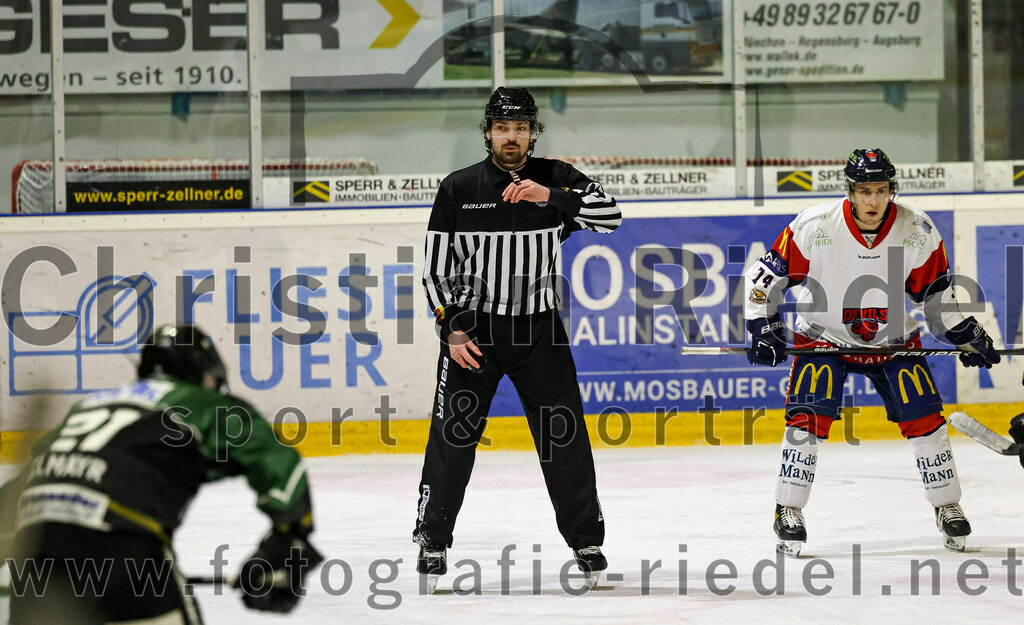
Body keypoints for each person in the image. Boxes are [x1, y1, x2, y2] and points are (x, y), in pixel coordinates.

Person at [413, 86, 621, 591]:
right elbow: (435, 271)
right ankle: (432, 539)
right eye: (503, 128)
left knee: (563, 437)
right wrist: (450, 326)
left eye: (521, 128)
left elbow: (611, 218)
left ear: (533, 133)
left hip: (539, 331)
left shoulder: (557, 177)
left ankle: (585, 541)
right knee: (453, 438)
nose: (512, 136)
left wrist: (550, 196)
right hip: (473, 332)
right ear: (487, 133)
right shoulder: (459, 187)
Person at [744, 148, 1001, 556]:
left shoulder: (918, 229)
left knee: (926, 421)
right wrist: (763, 325)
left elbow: (936, 294)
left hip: (892, 339)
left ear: (891, 190)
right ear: (850, 191)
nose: (873, 200)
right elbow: (763, 280)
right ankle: (788, 509)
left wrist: (963, 333)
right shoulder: (813, 225)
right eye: (865, 191)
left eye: (881, 190)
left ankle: (947, 505)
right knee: (807, 421)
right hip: (823, 336)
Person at [0, 325, 323, 624]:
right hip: (121, 543)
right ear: (202, 375)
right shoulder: (198, 401)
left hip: (35, 547)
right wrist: (290, 540)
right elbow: (276, 458)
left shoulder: (89, 405)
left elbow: (28, 477)